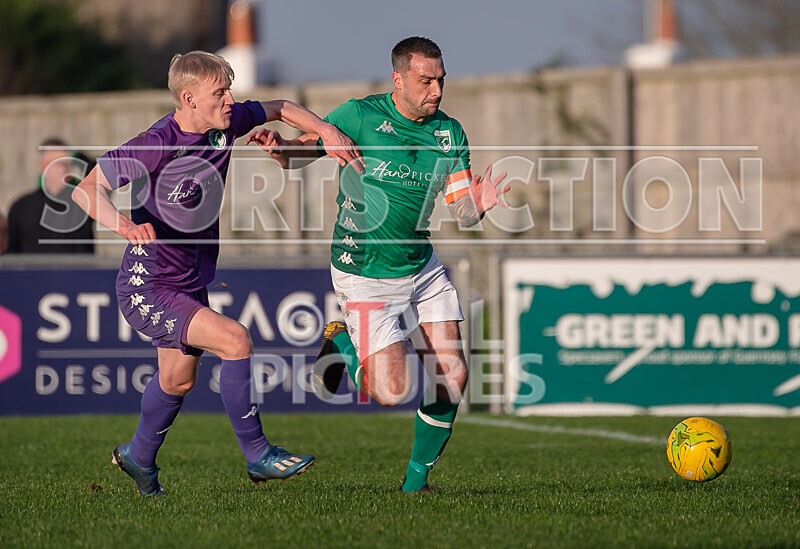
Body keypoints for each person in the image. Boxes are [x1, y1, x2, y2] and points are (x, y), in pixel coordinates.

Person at [72, 51, 364, 496]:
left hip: (188, 280)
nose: (230, 100)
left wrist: (325, 129)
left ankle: (138, 458)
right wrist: (126, 226)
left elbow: (281, 107)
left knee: (177, 379)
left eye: (230, 90)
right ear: (188, 98)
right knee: (235, 340)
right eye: (220, 92)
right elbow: (86, 189)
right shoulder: (156, 143)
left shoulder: (225, 123)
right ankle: (258, 455)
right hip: (148, 285)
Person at [248, 37, 509, 493]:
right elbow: (303, 153)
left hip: (421, 267)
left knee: (454, 374)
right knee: (390, 392)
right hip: (364, 271)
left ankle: (416, 483)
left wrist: (479, 205)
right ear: (398, 78)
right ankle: (342, 343)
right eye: (425, 80)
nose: (436, 90)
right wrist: (282, 149)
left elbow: (461, 212)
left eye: (441, 80)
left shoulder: (448, 132)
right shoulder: (360, 116)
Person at [6, 138, 94, 254]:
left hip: (76, 271)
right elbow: (12, 255)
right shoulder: (21, 208)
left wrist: (77, 155)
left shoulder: (82, 204)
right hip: (34, 272)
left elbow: (102, 178)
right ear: (43, 167)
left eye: (69, 164)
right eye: (59, 163)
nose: (65, 169)